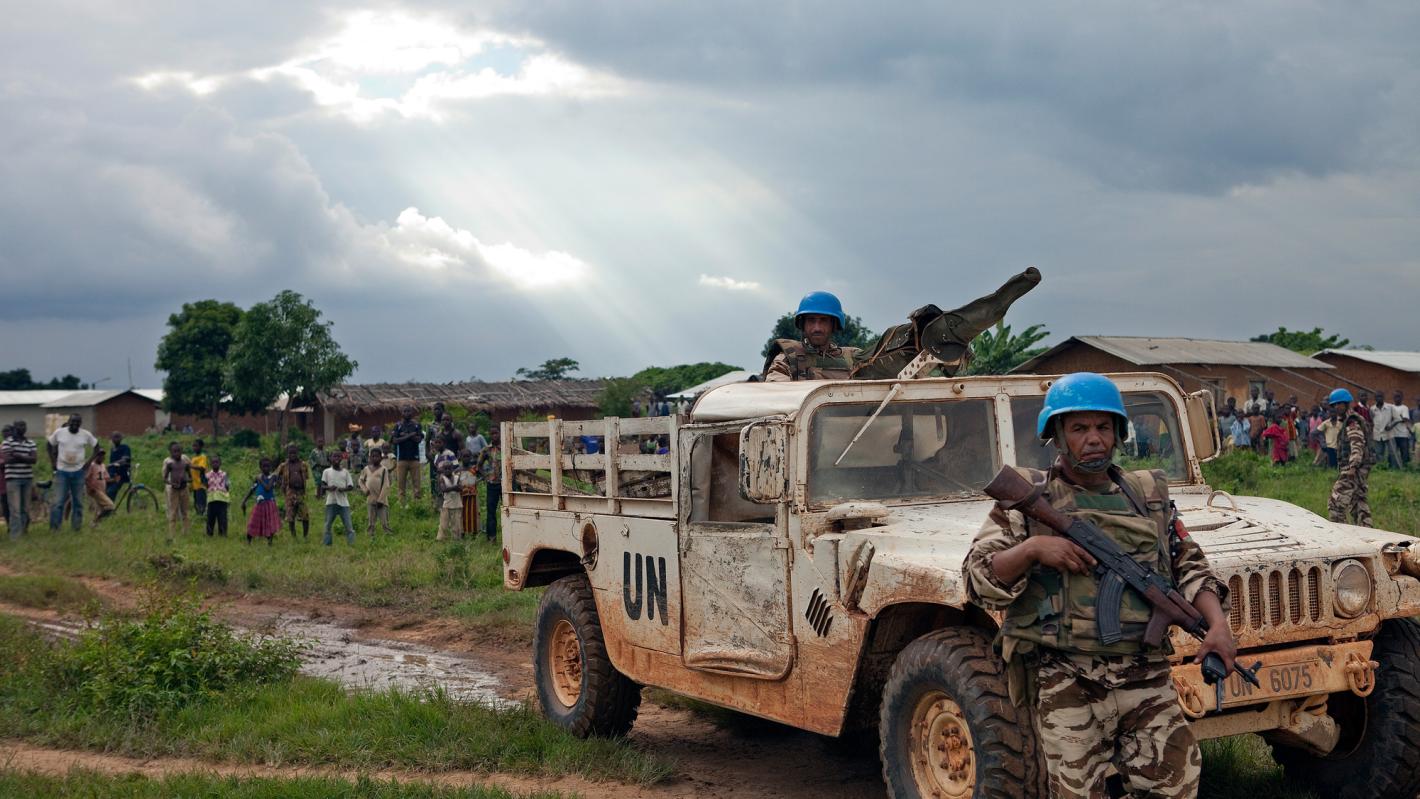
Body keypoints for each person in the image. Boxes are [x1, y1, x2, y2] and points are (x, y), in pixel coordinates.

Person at [964, 372, 1233, 797]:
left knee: (1176, 787)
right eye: (1079, 428)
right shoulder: (1028, 499)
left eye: (1103, 427)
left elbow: (1189, 564)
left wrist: (1217, 625)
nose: (1094, 439)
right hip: (1066, 678)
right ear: (1056, 434)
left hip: (1145, 675)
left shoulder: (1148, 497)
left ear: (1118, 433)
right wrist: (1033, 549)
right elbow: (978, 580)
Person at [763, 291, 862, 381]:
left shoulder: (854, 359)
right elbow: (777, 392)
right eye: (811, 320)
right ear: (803, 324)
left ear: (834, 325)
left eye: (823, 320)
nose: (817, 328)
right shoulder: (788, 359)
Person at [1327, 389, 1374, 527]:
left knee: (1336, 503)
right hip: (1360, 467)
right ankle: (1367, 533)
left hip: (1353, 468)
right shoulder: (1351, 419)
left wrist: (1353, 466)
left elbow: (1357, 444)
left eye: (1339, 404)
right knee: (1359, 503)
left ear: (1346, 403)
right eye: (1334, 405)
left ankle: (1341, 533)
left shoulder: (1351, 421)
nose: (1336, 407)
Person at [48, 413, 98, 530]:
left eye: (77, 422)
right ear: (69, 421)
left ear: (80, 423)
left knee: (78, 502)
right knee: (58, 502)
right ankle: (55, 528)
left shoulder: (85, 434)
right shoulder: (60, 432)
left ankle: (76, 528)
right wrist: (52, 462)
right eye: (73, 421)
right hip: (62, 471)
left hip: (78, 472)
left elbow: (96, 447)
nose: (75, 424)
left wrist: (88, 463)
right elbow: (49, 445)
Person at [3, 422, 37, 538]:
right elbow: (7, 460)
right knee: (15, 509)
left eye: (24, 426)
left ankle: (23, 532)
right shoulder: (7, 442)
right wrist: (26, 458)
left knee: (25, 508)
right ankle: (15, 536)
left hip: (27, 478)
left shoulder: (31, 442)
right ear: (14, 428)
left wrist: (17, 455)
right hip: (13, 479)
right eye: (19, 426)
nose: (22, 428)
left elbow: (34, 460)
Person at [274, 444, 311, 538]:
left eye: (294, 453)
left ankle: (305, 536)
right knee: (290, 515)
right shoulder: (284, 465)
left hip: (301, 492)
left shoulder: (303, 464)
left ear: (297, 453)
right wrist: (280, 484)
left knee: (305, 515)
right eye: (290, 453)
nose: (293, 455)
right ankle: (293, 536)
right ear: (287, 454)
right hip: (290, 492)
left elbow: (306, 477)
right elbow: (275, 475)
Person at [321, 452, 356, 546]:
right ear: (330, 458)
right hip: (331, 501)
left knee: (348, 525)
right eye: (334, 456)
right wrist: (329, 488)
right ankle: (327, 544)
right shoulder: (326, 471)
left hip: (344, 503)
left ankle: (351, 544)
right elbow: (322, 486)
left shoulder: (345, 472)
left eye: (338, 456)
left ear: (341, 458)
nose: (336, 458)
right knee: (327, 524)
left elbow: (351, 486)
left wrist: (343, 489)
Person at [241, 457, 278, 545]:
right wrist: (244, 501)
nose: (266, 468)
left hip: (269, 504)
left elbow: (268, 488)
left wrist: (260, 479)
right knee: (253, 522)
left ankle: (270, 542)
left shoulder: (273, 476)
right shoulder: (258, 478)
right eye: (264, 466)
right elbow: (252, 489)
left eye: (268, 466)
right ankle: (249, 541)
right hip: (259, 504)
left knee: (269, 523)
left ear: (271, 467)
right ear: (260, 467)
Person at [390, 405, 424, 502]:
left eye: (409, 411)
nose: (407, 413)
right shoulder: (398, 426)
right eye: (405, 411)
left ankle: (417, 504)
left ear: (412, 412)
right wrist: (411, 435)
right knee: (401, 484)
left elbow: (418, 440)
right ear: (402, 413)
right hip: (401, 459)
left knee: (417, 484)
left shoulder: (417, 425)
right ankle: (402, 505)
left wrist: (404, 436)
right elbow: (395, 441)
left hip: (415, 458)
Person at [358, 447, 394, 537]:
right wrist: (365, 490)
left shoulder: (383, 470)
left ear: (381, 458)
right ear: (370, 458)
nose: (375, 458)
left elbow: (386, 485)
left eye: (377, 456)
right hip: (370, 499)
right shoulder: (366, 469)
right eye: (373, 456)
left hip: (381, 500)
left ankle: (388, 535)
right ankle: (371, 535)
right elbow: (361, 480)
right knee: (371, 521)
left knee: (384, 521)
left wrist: (381, 500)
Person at [161, 441, 192, 535]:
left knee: (185, 512)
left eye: (179, 451)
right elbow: (165, 479)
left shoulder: (185, 463)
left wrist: (185, 480)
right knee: (173, 512)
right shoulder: (169, 464)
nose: (177, 453)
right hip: (173, 491)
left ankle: (186, 532)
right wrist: (171, 483)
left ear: (182, 451)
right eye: (174, 451)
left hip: (184, 489)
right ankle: (172, 533)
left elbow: (190, 478)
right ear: (170, 452)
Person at [476, 436, 502, 542]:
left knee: (508, 510)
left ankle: (509, 536)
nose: (494, 435)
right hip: (492, 484)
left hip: (506, 483)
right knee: (491, 511)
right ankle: (491, 538)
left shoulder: (506, 446)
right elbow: (479, 465)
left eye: (496, 433)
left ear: (499, 433)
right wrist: (486, 476)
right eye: (492, 433)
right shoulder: (486, 449)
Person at [85, 447, 115, 525]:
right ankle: (96, 520)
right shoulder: (91, 465)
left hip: (102, 490)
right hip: (95, 490)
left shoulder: (103, 466)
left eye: (103, 455)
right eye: (99, 455)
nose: (101, 457)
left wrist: (114, 479)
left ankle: (94, 524)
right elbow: (86, 478)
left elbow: (106, 478)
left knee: (99, 508)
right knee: (110, 505)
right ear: (95, 456)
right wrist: (90, 487)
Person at [436, 460, 463, 541]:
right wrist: (454, 488)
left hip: (456, 503)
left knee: (456, 523)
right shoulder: (442, 478)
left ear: (452, 469)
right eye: (445, 469)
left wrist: (451, 488)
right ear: (443, 470)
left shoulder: (457, 477)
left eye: (449, 468)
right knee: (443, 523)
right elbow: (443, 489)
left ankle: (456, 538)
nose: (447, 470)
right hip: (447, 504)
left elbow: (461, 488)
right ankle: (441, 538)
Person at [205, 455, 230, 537]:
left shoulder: (224, 474)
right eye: (213, 462)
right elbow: (206, 485)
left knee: (222, 517)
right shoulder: (208, 475)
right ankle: (209, 534)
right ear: (210, 464)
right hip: (211, 500)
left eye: (217, 462)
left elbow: (227, 486)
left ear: (220, 463)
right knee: (210, 517)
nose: (215, 464)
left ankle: (223, 534)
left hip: (222, 500)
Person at [1389, 391, 1412, 469]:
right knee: (1393, 452)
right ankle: (1394, 467)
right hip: (1393, 434)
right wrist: (1398, 419)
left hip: (1403, 434)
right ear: (1393, 398)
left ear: (1402, 398)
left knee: (1404, 452)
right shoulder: (1391, 407)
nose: (1397, 398)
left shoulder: (1404, 407)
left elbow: (1404, 419)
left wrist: (1395, 421)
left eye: (1399, 397)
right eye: (1395, 397)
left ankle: (1405, 467)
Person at [459, 451, 479, 538]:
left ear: (470, 457)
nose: (466, 458)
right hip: (461, 496)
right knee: (462, 514)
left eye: (468, 456)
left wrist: (476, 482)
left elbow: (483, 475)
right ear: (461, 457)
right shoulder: (458, 470)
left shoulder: (474, 469)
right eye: (464, 456)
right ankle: (462, 532)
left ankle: (474, 532)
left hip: (473, 495)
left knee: (473, 513)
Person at [106, 431, 131, 501]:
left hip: (121, 474)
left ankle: (109, 508)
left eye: (118, 437)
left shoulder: (125, 447)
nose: (116, 439)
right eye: (114, 438)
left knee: (110, 491)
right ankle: (109, 508)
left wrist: (112, 464)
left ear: (121, 439)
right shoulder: (112, 450)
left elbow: (124, 460)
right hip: (112, 474)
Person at [189, 439, 209, 516]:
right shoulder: (194, 458)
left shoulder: (202, 457)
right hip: (195, 485)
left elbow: (202, 468)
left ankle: (202, 517)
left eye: (196, 446)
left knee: (201, 502)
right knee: (196, 502)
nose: (194, 447)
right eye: (193, 446)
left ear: (201, 447)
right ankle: (199, 516)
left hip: (200, 484)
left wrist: (190, 466)